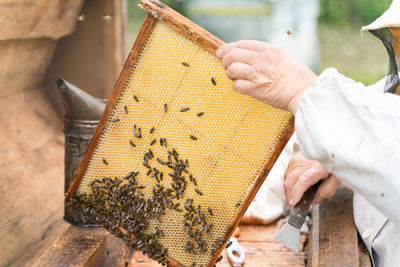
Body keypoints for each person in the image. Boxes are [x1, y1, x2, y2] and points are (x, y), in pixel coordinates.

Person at [216, 1, 400, 266]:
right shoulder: (389, 91)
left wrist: (302, 90)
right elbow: (376, 114)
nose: (396, 48)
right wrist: (337, 149)